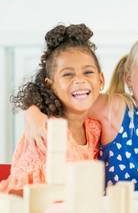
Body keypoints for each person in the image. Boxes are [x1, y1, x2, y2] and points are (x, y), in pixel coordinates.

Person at [24, 35, 138, 190]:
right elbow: (67, 99)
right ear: (128, 78)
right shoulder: (117, 108)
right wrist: (33, 113)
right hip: (122, 206)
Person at [0, 24, 104, 195]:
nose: (79, 80)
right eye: (68, 74)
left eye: (88, 72)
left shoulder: (95, 128)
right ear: (50, 84)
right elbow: (27, 193)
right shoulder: (45, 129)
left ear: (101, 80)